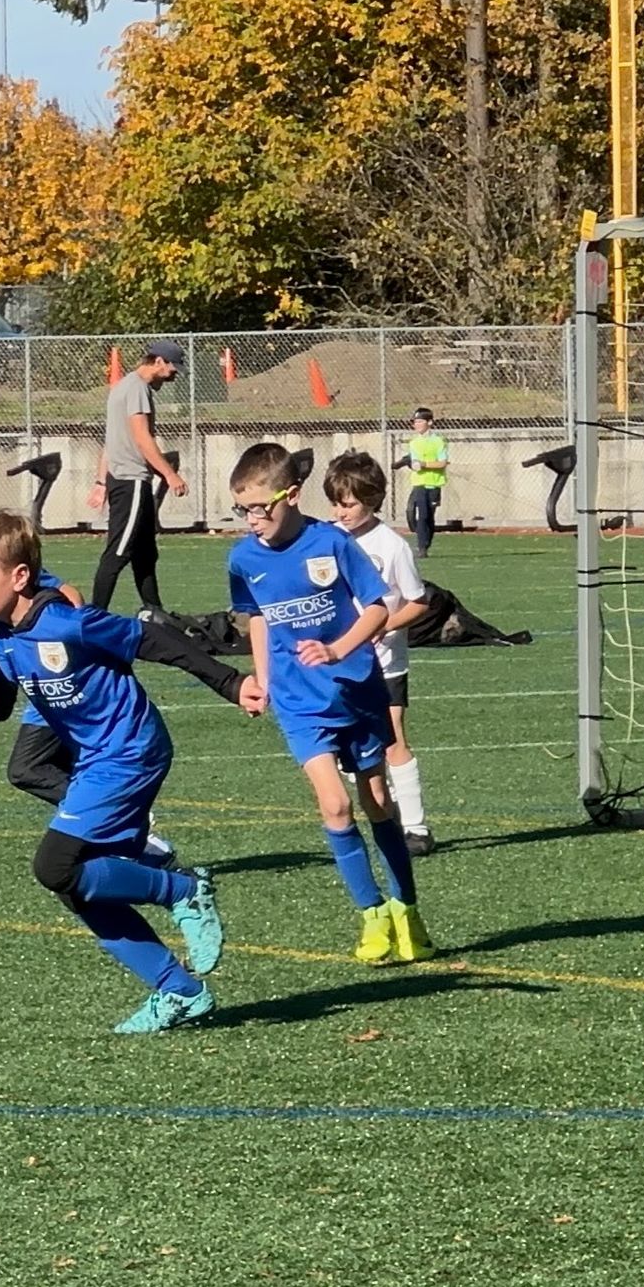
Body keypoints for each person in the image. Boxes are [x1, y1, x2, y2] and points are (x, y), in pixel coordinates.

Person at [0, 510, 249, 1034]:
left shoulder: (68, 622)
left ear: (19, 577)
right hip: (95, 758)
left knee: (54, 867)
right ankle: (180, 992)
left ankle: (182, 890)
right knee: (77, 887)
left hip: (129, 750)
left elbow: (154, 640)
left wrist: (229, 683)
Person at [228, 442, 432, 963]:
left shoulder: (331, 544)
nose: (252, 520)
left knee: (377, 802)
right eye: (242, 509)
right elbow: (255, 617)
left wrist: (339, 648)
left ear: (291, 495)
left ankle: (406, 908)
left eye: (260, 507)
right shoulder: (243, 558)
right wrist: (262, 679)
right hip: (300, 702)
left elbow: (380, 609)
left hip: (356, 688)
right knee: (335, 804)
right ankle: (371, 916)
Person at [0, 489, 182, 866]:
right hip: (43, 692)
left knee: (27, 770)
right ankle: (115, 823)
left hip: (59, 694)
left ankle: (121, 821)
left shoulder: (11, 572)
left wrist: (64, 650)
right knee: (32, 771)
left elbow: (66, 595)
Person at [324, 451, 436, 855]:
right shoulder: (327, 539)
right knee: (347, 748)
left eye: (349, 503)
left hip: (384, 664)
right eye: (335, 502)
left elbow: (419, 601)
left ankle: (417, 828)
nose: (341, 511)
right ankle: (382, 814)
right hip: (337, 662)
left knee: (392, 742)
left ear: (372, 500)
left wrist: (383, 627)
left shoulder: (391, 546)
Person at [90, 339, 188, 614]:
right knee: (118, 553)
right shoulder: (137, 389)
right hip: (131, 481)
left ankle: (155, 611)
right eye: (172, 368)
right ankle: (93, 615)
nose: (173, 375)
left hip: (128, 480)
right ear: (158, 362)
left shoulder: (123, 387)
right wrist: (170, 474)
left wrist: (100, 481)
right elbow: (142, 438)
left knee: (145, 554)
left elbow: (111, 442)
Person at [402, 407, 448, 558]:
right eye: (415, 422)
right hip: (419, 483)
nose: (417, 424)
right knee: (421, 515)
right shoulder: (414, 443)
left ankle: (427, 542)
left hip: (434, 484)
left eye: (420, 421)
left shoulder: (439, 441)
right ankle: (422, 547)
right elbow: (414, 461)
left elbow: (442, 463)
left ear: (430, 422)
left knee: (429, 516)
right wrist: (413, 465)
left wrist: (424, 464)